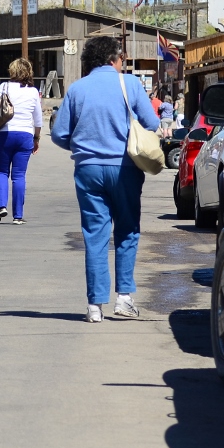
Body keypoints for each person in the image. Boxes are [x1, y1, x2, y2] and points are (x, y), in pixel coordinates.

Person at [50, 36, 159, 322]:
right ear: (114, 58)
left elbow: (60, 134)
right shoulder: (131, 84)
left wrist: (83, 146)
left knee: (95, 234)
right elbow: (152, 123)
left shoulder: (77, 89)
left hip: (88, 169)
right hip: (124, 167)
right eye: (121, 57)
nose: (122, 62)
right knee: (127, 230)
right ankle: (124, 297)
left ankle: (94, 306)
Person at [0, 57, 43, 225]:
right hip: (25, 136)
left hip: (4, 134)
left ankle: (1, 206)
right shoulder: (33, 92)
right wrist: (36, 138)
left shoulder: (5, 86)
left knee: (1, 172)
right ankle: (18, 215)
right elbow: (38, 120)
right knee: (19, 176)